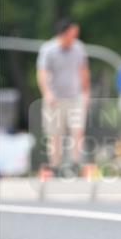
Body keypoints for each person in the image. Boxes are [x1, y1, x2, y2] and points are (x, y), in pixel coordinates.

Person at [36, 18, 90, 176]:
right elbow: (42, 73)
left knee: (77, 131)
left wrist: (86, 93)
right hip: (55, 99)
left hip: (75, 97)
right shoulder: (48, 50)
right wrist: (47, 93)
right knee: (54, 134)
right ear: (64, 33)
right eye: (73, 33)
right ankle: (55, 165)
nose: (75, 37)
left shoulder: (78, 48)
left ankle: (75, 163)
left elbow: (84, 71)